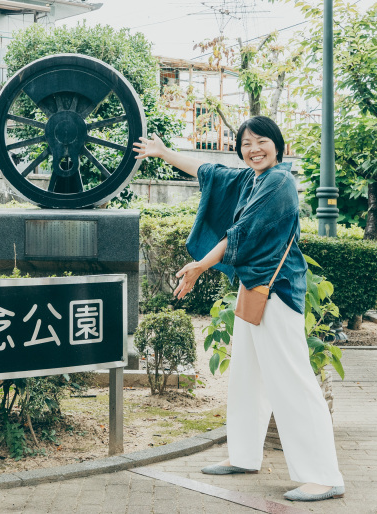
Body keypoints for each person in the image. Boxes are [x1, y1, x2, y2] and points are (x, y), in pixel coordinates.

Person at [133, 116, 345, 502]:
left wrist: (200, 266)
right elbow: (210, 172)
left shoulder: (279, 182)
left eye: (261, 141)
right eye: (246, 144)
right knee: (248, 376)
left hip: (278, 292)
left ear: (277, 145)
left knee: (292, 380)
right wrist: (163, 153)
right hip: (255, 289)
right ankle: (245, 456)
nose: (253, 149)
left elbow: (241, 233)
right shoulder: (252, 178)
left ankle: (324, 475)